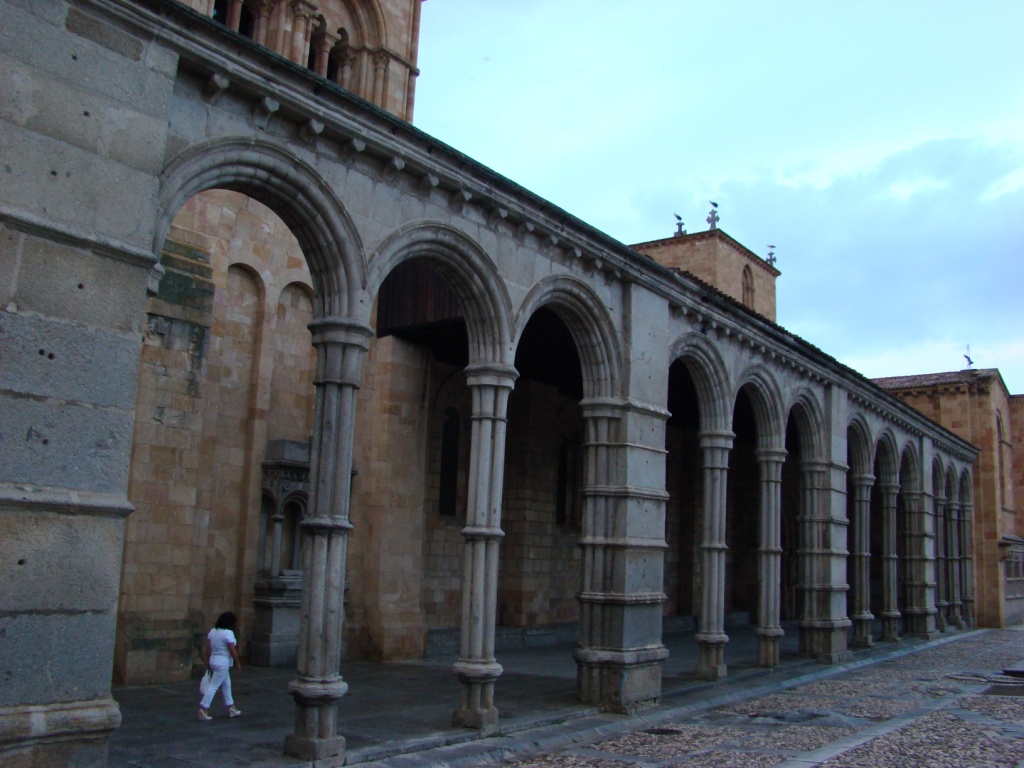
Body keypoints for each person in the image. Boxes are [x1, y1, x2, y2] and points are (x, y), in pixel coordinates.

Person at [198, 611, 242, 721]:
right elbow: (232, 650)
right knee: (214, 686)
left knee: (227, 684)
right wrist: (237, 662)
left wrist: (207, 661)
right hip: (223, 662)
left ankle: (231, 707)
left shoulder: (213, 632)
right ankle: (203, 708)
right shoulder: (228, 633)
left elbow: (208, 648)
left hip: (214, 661)